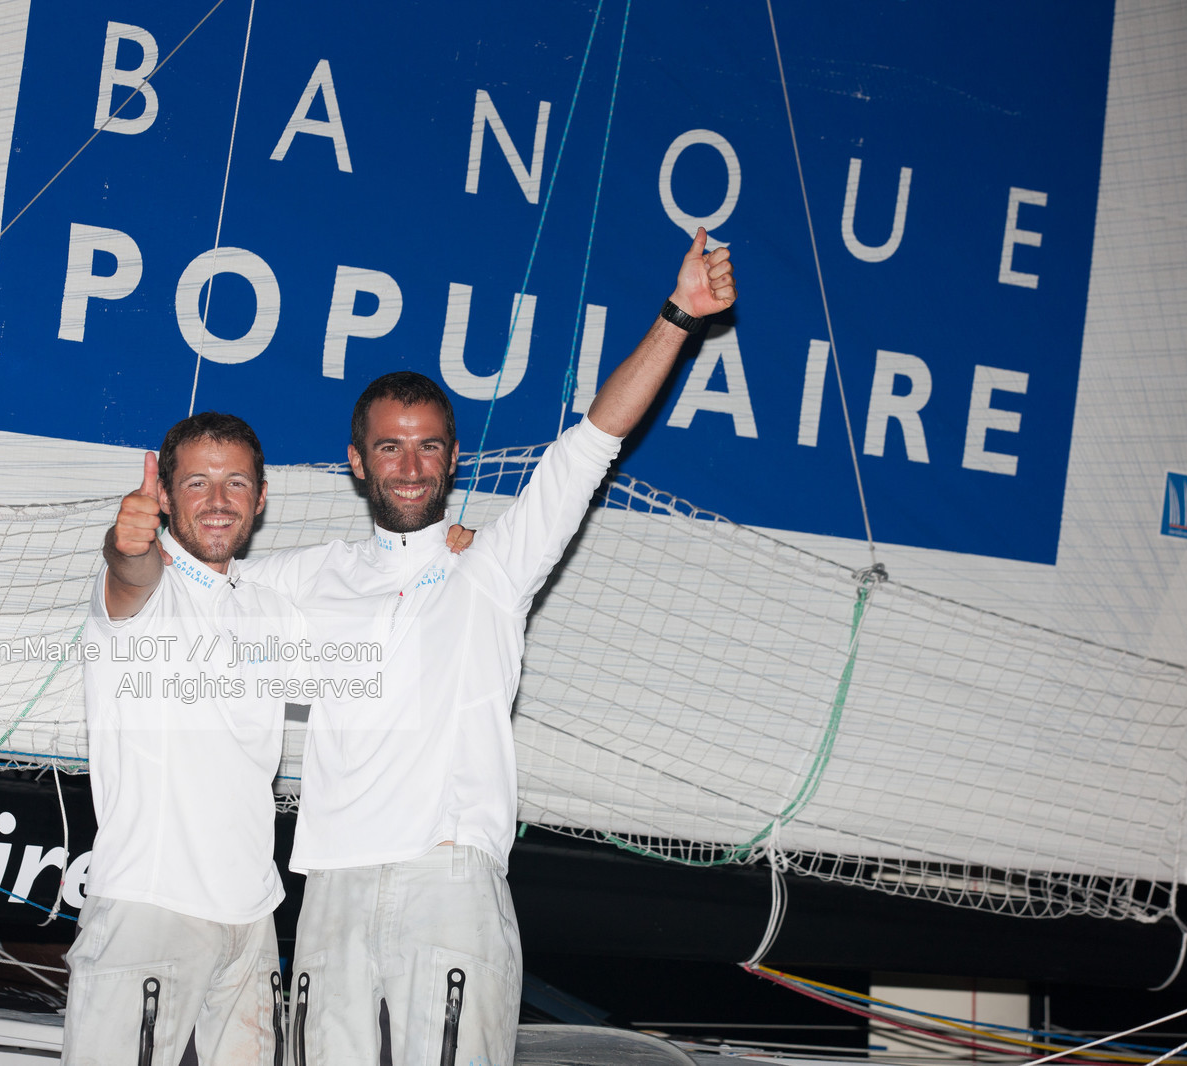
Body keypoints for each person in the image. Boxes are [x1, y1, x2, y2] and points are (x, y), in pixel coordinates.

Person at [241, 229, 736, 1066]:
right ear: (356, 462)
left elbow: (591, 443)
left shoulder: (493, 568)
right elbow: (194, 595)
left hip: (449, 888)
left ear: (452, 458)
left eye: (428, 444)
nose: (409, 464)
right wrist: (136, 551)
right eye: (389, 446)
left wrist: (679, 315)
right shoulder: (304, 578)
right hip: (330, 890)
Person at [65, 412, 304, 1066]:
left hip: (251, 923)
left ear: (261, 497)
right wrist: (129, 545)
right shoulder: (149, 592)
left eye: (235, 483)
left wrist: (444, 551)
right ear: (166, 497)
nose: (219, 501)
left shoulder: (270, 608)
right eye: (197, 483)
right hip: (151, 910)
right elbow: (129, 571)